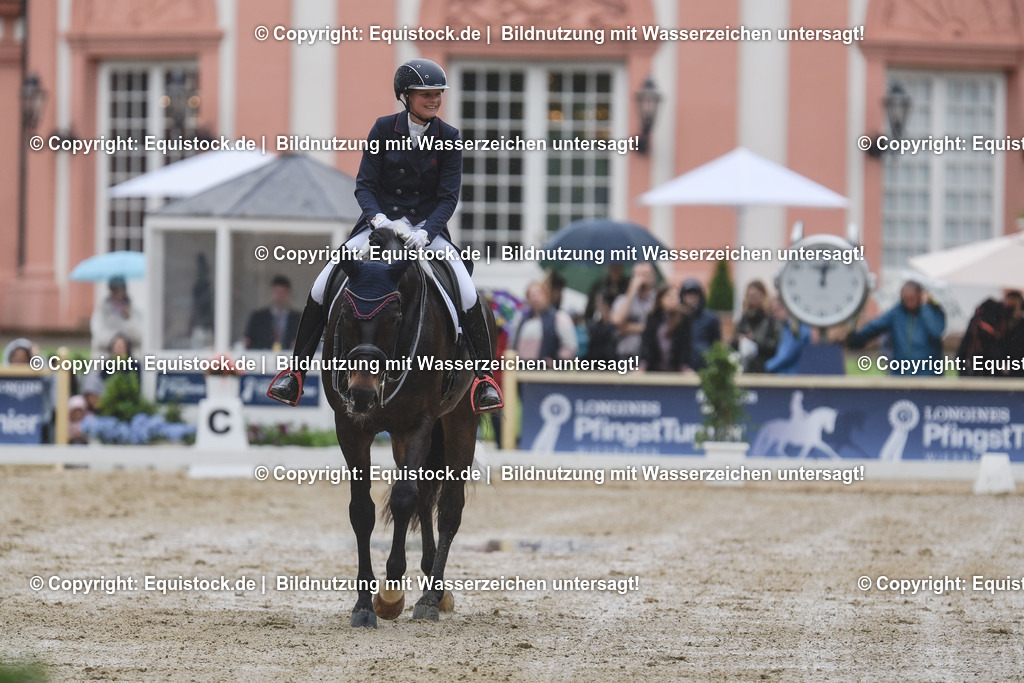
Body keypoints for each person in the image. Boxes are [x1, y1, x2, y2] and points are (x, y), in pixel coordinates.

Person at [268, 59, 502, 412]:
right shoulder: (382, 130)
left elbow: (448, 197)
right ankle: (295, 373)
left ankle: (484, 379)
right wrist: (378, 219)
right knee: (322, 282)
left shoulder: (449, 138)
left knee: (465, 289)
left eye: (438, 94)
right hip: (378, 227)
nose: (435, 100)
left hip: (427, 231)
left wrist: (427, 232)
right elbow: (364, 185)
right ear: (406, 96)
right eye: (427, 94)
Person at [846, 280, 946, 375]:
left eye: (912, 299)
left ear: (921, 295)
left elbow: (936, 331)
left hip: (927, 374)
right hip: (900, 374)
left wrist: (925, 308)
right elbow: (874, 327)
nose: (909, 303)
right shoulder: (896, 313)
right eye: (905, 299)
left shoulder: (934, 311)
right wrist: (853, 339)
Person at [511, 280, 578, 363]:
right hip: (522, 371)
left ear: (547, 296)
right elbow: (513, 346)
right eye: (531, 295)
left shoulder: (559, 317)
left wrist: (556, 361)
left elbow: (570, 347)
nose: (534, 298)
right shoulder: (522, 320)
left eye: (538, 294)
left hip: (547, 373)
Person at [730, 280, 781, 373]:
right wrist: (738, 340)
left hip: (765, 368)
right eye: (750, 296)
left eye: (755, 296)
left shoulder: (772, 319)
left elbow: (776, 345)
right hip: (744, 368)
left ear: (763, 296)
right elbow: (732, 344)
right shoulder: (744, 319)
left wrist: (755, 341)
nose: (752, 299)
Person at [639, 283, 692, 372]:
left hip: (676, 366)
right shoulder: (652, 317)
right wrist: (643, 364)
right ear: (660, 299)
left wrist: (684, 366)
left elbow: (686, 344)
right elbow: (646, 342)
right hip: (654, 366)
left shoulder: (684, 317)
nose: (673, 299)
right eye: (669, 296)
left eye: (676, 296)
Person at [610, 262, 657, 360]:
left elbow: (658, 328)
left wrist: (629, 327)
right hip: (626, 355)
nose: (641, 279)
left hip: (651, 357)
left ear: (653, 277)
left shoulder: (658, 300)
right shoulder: (623, 299)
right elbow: (617, 321)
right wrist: (631, 291)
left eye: (645, 275)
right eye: (638, 275)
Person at [244, 275, 301, 351]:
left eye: (283, 293)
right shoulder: (258, 317)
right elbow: (248, 342)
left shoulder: (299, 318)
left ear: (289, 294)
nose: (280, 297)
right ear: (271, 293)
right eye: (277, 292)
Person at [91, 276, 142, 357]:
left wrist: (128, 320)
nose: (118, 292)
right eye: (115, 289)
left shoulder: (135, 311)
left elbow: (140, 336)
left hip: (131, 358)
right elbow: (99, 334)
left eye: (120, 289)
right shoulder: (101, 311)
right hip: (105, 357)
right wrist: (116, 340)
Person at [679, 278, 721, 371]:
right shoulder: (677, 317)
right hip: (680, 368)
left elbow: (716, 344)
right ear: (682, 296)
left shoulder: (711, 318)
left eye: (695, 294)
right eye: (688, 294)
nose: (691, 297)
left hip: (703, 366)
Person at [765, 297, 811, 374]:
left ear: (788, 307)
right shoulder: (787, 327)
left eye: (777, 309)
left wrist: (767, 366)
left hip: (793, 378)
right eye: (773, 311)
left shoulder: (797, 327)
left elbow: (787, 355)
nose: (775, 314)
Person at [1004, 291, 1024, 378]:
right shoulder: (999, 327)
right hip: (1000, 378)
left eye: (1013, 307)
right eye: (1008, 307)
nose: (1010, 311)